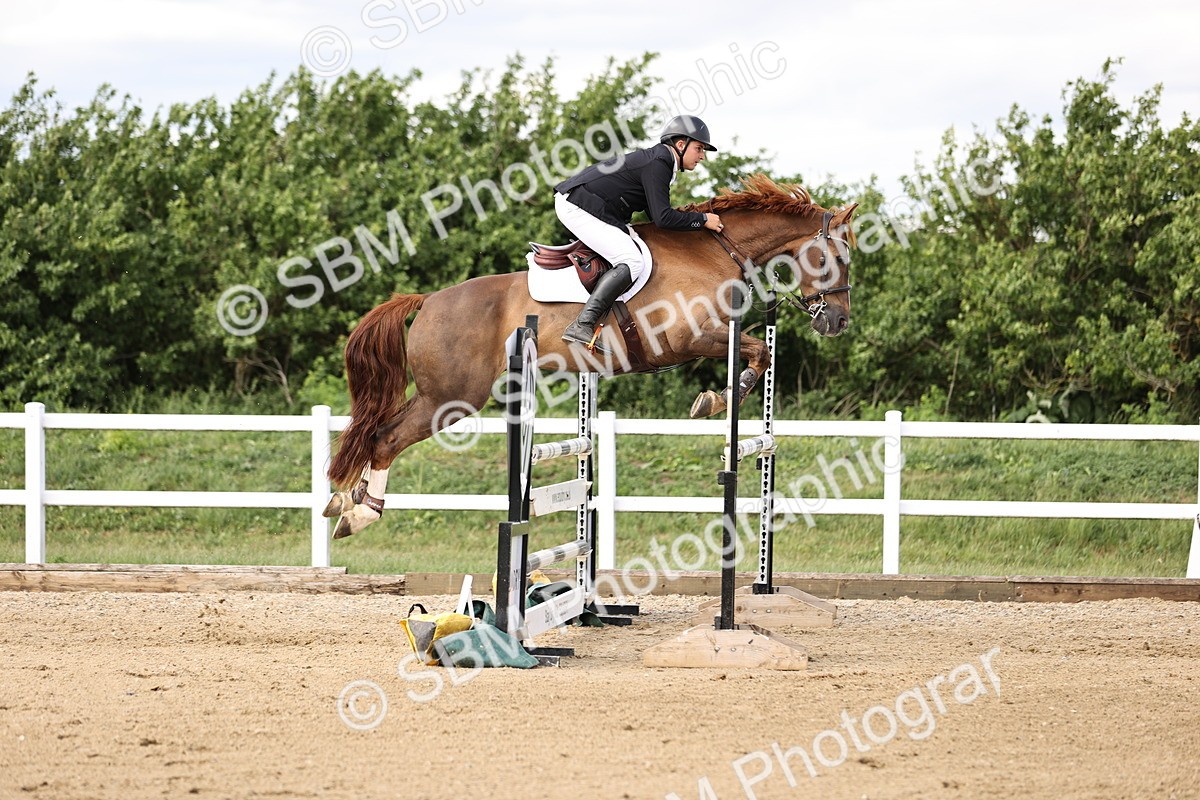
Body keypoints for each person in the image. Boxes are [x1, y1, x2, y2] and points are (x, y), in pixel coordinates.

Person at [553, 114, 725, 351]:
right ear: (681, 144)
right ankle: (582, 324)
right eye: (699, 148)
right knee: (632, 260)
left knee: (637, 248)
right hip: (577, 205)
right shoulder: (659, 163)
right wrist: (702, 219)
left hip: (590, 205)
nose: (702, 156)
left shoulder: (661, 161)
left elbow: (655, 213)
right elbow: (663, 218)